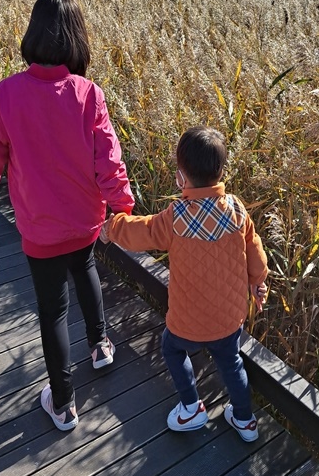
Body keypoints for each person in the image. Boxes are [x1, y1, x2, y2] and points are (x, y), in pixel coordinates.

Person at [0, 0, 135, 432]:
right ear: (77, 40)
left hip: (39, 230)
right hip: (85, 221)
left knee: (52, 311)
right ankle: (100, 346)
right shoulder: (88, 94)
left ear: (32, 36)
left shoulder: (6, 94)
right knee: (86, 270)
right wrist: (122, 207)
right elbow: (109, 159)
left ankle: (63, 405)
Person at [101, 126, 269, 442]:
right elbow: (254, 249)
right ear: (221, 171)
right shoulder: (236, 209)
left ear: (181, 176)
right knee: (231, 363)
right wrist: (257, 282)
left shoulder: (176, 217)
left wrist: (113, 227)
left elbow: (143, 232)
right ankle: (245, 421)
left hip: (187, 321)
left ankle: (191, 408)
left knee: (172, 348)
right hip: (229, 317)